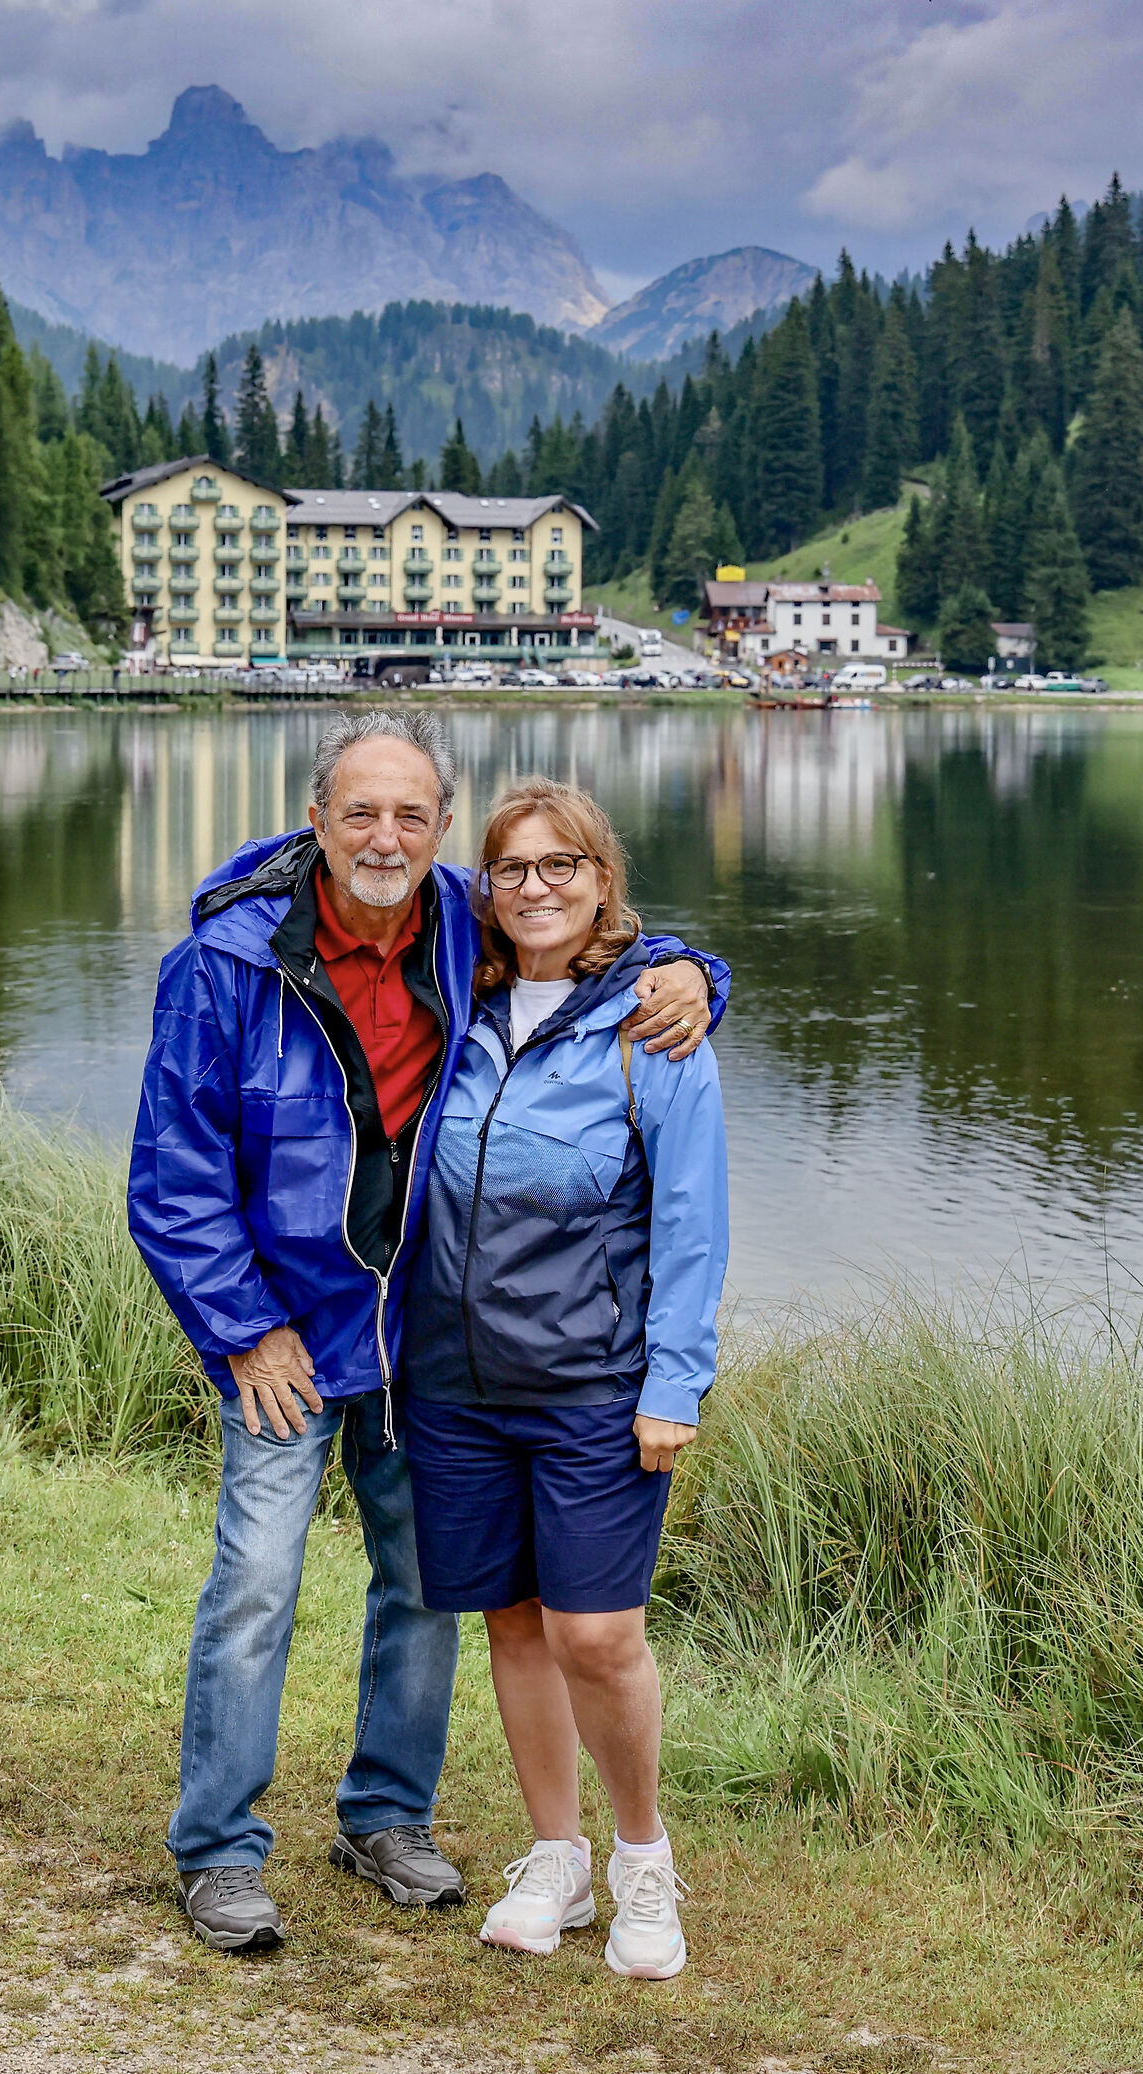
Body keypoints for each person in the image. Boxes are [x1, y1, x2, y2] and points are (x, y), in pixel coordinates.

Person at [128, 712, 729, 1957]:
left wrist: (695, 974)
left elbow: (591, 925)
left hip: (421, 1342)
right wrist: (244, 1332)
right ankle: (219, 1852)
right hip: (285, 1341)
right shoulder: (228, 965)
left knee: (425, 1591)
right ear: (315, 821)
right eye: (359, 812)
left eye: (411, 814)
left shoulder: (464, 924)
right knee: (256, 1583)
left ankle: (385, 1816)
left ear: (442, 830)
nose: (384, 837)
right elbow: (171, 1180)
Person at [402, 778, 727, 1984]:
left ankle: (644, 1861)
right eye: (511, 869)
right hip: (454, 1384)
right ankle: (557, 1858)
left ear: (603, 881)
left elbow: (694, 1223)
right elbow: (349, 864)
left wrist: (674, 1384)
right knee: (516, 1625)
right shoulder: (455, 1003)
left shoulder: (654, 1027)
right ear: (483, 888)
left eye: (561, 866)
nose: (534, 888)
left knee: (599, 1632)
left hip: (596, 1386)